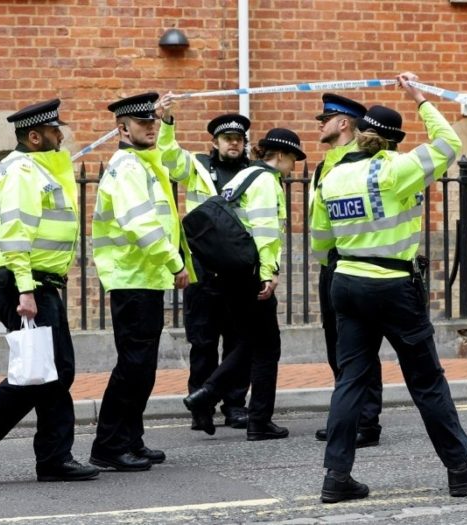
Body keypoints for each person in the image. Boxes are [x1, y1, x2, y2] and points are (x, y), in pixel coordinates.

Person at [311, 72, 467, 503]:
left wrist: (346, 264)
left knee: (350, 381)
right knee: (426, 380)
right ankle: (460, 468)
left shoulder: (331, 176)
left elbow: (320, 243)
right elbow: (450, 144)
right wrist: (420, 98)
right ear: (392, 141)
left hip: (346, 282)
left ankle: (336, 477)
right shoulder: (396, 168)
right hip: (393, 286)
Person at [0, 98, 99, 484]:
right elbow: (16, 232)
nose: (60, 136)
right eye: (54, 131)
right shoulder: (21, 171)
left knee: (53, 372)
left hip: (36, 282)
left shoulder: (35, 167)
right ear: (34, 136)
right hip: (25, 283)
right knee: (40, 371)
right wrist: (26, 291)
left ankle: (53, 458)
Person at [90, 92, 193, 471]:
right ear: (122, 128)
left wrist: (167, 122)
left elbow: (168, 155)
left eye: (153, 121)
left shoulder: (143, 162)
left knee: (142, 367)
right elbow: (140, 223)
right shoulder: (128, 167)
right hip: (132, 278)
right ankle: (108, 446)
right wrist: (174, 262)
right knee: (133, 366)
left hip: (143, 277)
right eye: (143, 123)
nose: (150, 128)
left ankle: (131, 439)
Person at [182, 128, 305, 440]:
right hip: (250, 274)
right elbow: (265, 231)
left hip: (230, 274)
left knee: (252, 342)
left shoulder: (244, 176)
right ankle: (246, 414)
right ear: (281, 155)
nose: (293, 167)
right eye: (293, 159)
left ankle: (221, 399)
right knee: (266, 346)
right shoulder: (266, 181)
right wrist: (269, 272)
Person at [158, 110, 253, 431]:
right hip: (202, 267)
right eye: (227, 139)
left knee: (238, 340)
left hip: (239, 269)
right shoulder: (198, 166)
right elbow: (169, 157)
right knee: (203, 341)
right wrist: (167, 124)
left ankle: (235, 405)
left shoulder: (253, 173)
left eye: (238, 139)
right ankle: (201, 406)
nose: (233, 144)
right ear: (215, 142)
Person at [310, 93, 383, 447]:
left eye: (325, 119)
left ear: (343, 123)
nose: (319, 125)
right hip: (332, 265)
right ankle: (347, 416)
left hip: (359, 260)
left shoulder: (368, 159)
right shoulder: (323, 166)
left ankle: (366, 421)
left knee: (360, 345)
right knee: (336, 345)